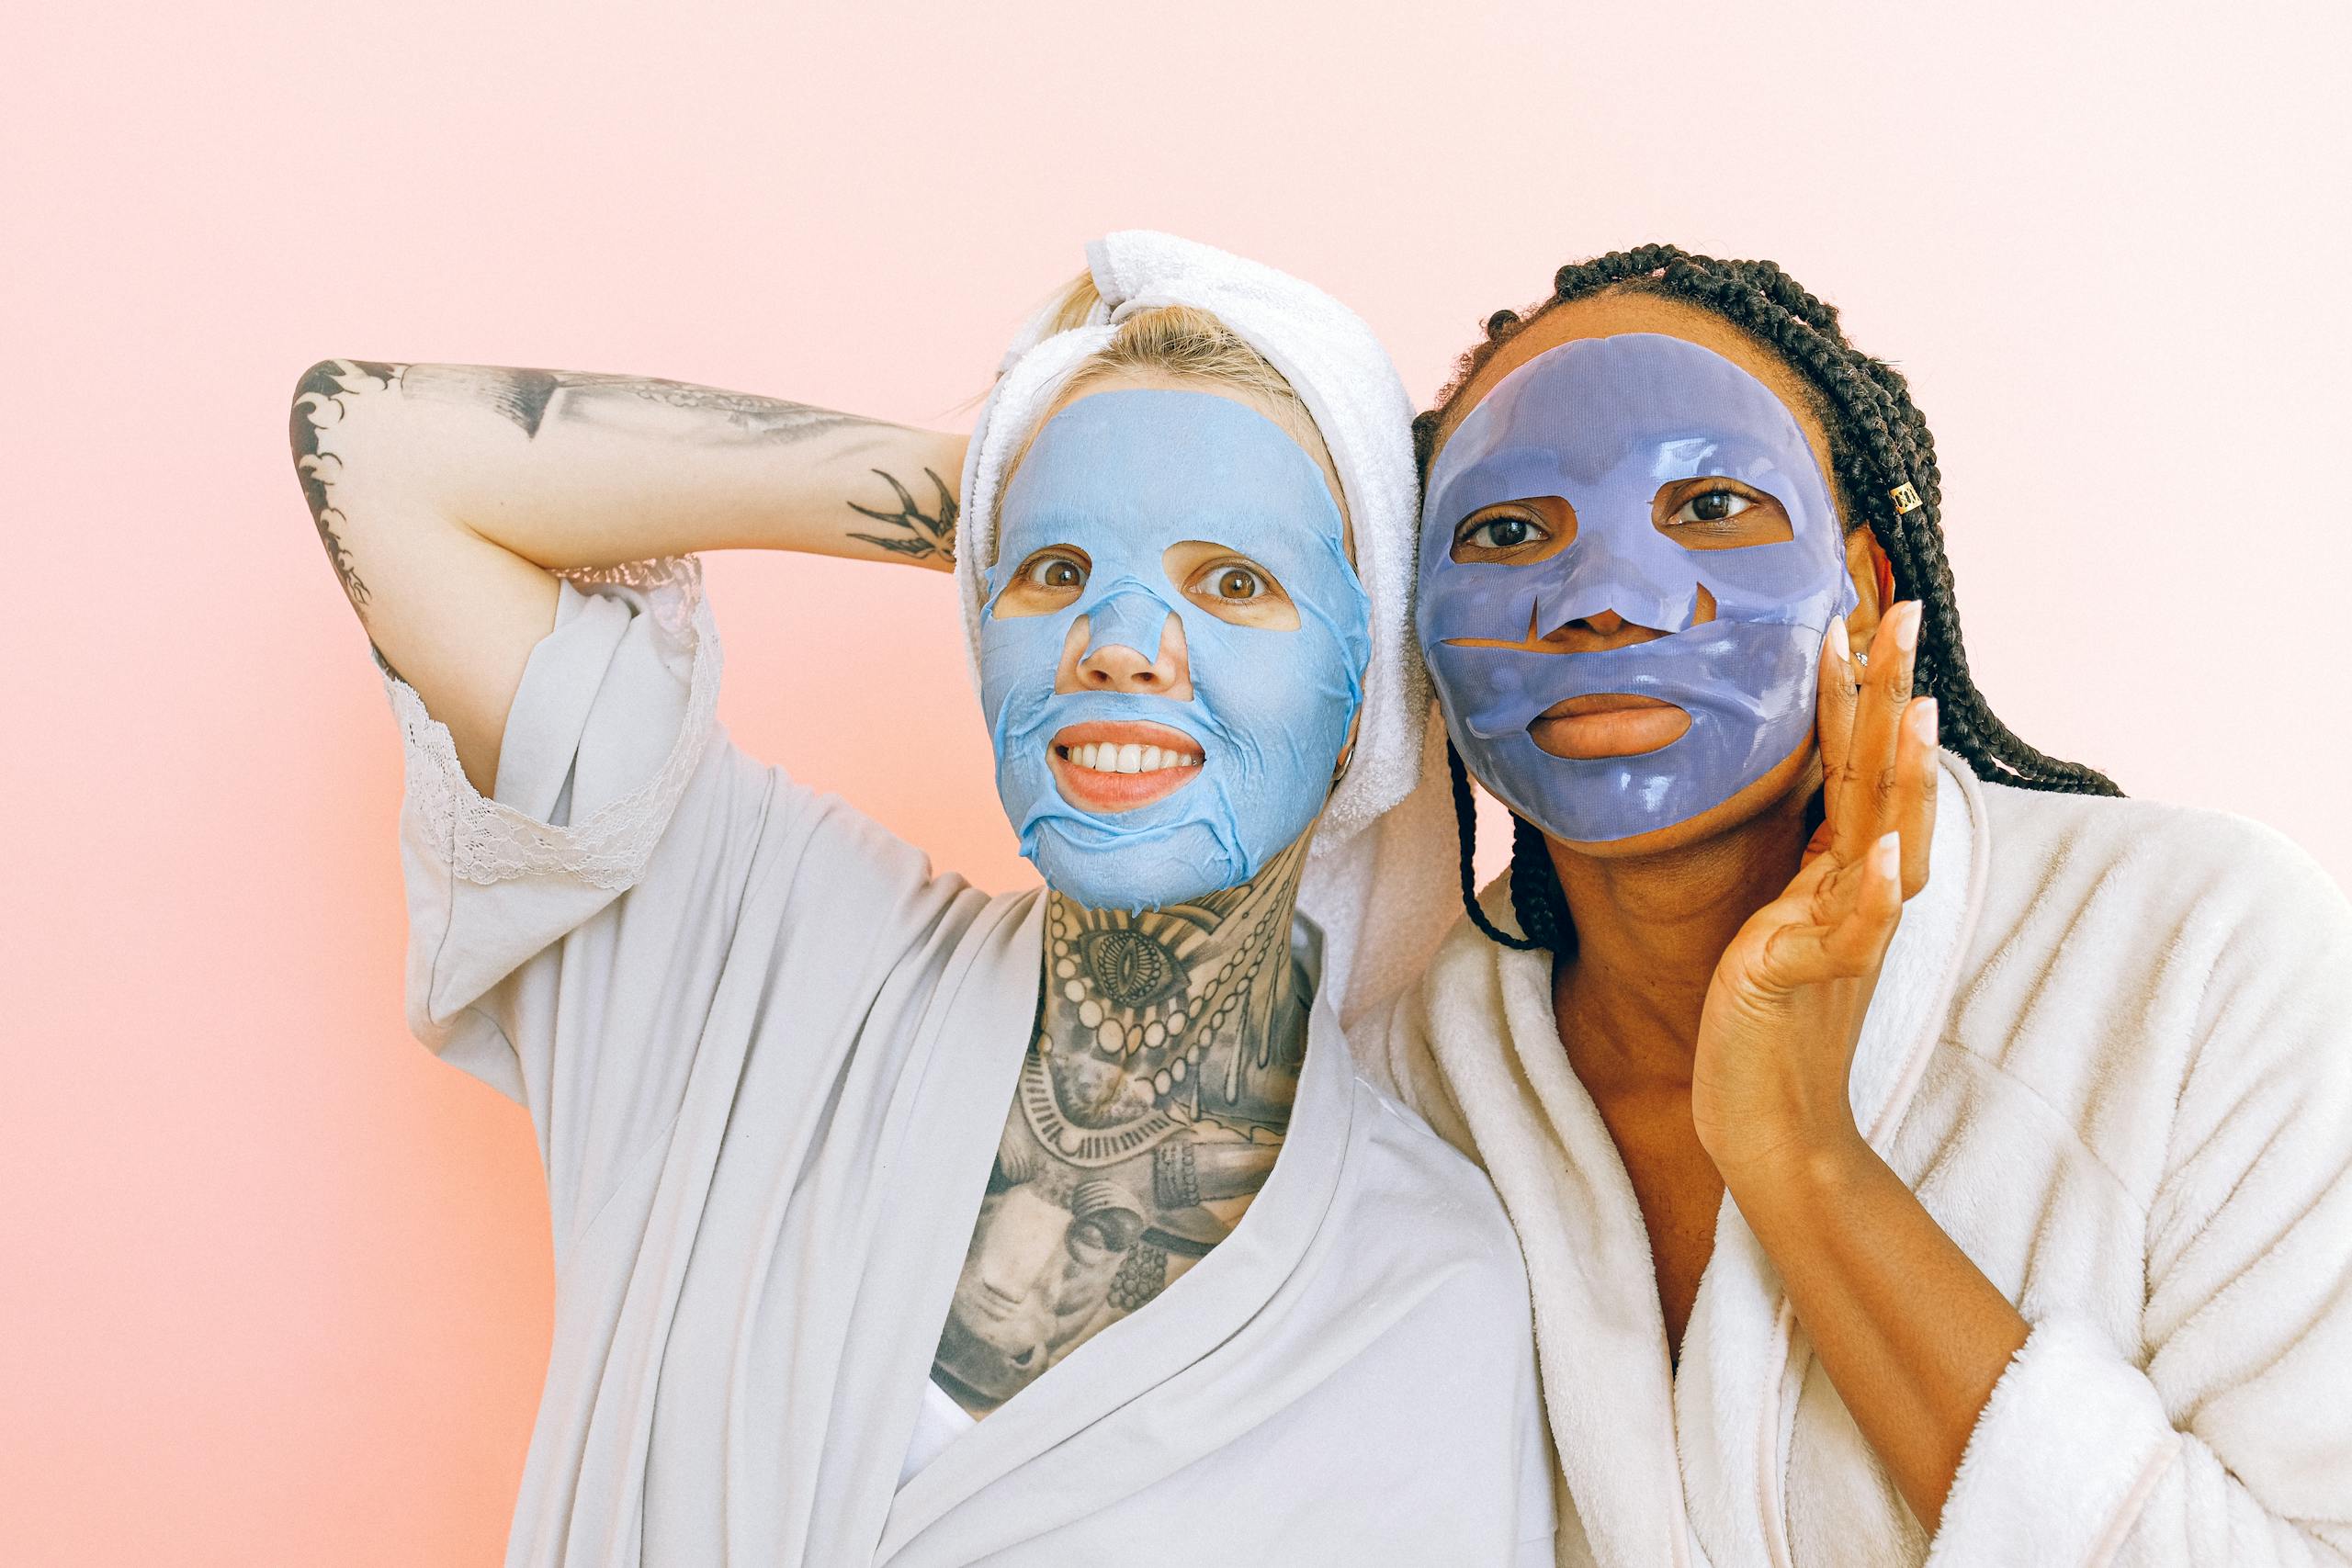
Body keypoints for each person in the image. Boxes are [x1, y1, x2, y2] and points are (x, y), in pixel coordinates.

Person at [288, 231, 1555, 1566]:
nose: (1118, 642)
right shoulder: (759, 948)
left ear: (1367, 691)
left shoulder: (1428, 1290)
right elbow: (377, 453)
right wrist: (1019, 469)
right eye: (1054, 573)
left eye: (1235, 582)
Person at [1358, 244, 2352, 1567]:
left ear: (1869, 589)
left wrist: (1803, 1158)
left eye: (1711, 502)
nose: (1600, 598)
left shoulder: (2199, 959)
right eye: (1506, 531)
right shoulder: (1393, 1092)